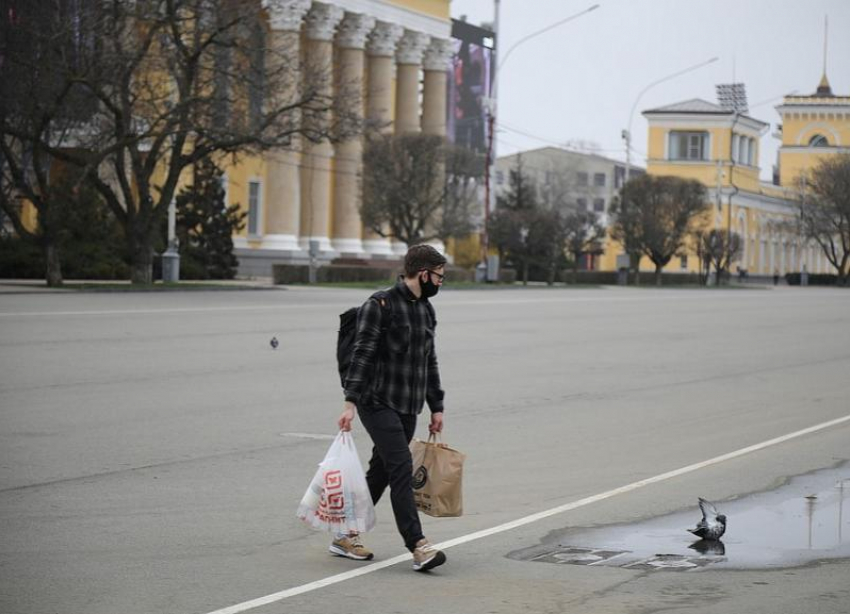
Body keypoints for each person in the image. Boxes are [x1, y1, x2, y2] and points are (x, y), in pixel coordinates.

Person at [333, 244, 448, 572]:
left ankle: (345, 535)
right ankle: (418, 545)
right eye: (439, 277)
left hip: (408, 405)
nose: (440, 283)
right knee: (400, 468)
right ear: (423, 273)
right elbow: (362, 354)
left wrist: (436, 406)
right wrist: (350, 402)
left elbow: (430, 360)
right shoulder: (380, 304)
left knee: (381, 472)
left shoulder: (426, 310)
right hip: (376, 401)